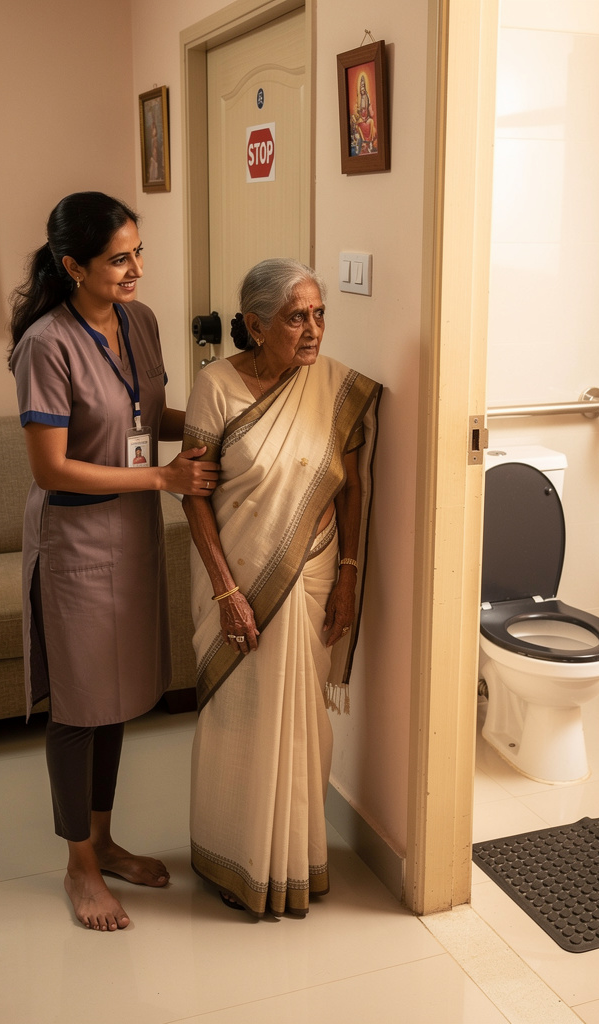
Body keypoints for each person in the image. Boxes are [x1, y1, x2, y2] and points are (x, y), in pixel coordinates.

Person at [8, 192, 219, 931]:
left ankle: (102, 838)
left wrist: (214, 424)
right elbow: (53, 468)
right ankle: (79, 866)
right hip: (74, 542)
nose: (135, 269)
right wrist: (163, 478)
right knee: (78, 708)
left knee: (120, 697)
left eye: (138, 253)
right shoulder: (47, 344)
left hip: (129, 534)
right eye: (118, 258)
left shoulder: (142, 321)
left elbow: (142, 413)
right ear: (74, 266)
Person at [182, 257, 381, 918]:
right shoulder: (215, 387)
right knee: (240, 722)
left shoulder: (334, 388)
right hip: (236, 579)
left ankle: (296, 861)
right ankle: (233, 858)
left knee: (304, 728)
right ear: (255, 324)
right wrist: (225, 592)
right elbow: (194, 498)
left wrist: (351, 574)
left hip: (315, 573)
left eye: (320, 313)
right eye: (298, 317)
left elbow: (352, 486)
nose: (314, 329)